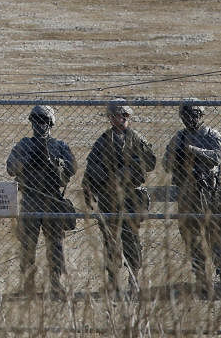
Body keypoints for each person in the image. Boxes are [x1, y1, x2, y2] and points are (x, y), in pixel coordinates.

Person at [81, 99, 156, 295]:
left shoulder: (136, 138)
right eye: (116, 116)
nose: (120, 119)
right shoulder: (104, 140)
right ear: (110, 118)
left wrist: (128, 170)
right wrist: (97, 184)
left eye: (123, 115)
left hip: (131, 196)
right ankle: (113, 281)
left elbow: (150, 163)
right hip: (108, 197)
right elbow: (91, 168)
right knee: (110, 240)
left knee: (131, 239)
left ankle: (134, 279)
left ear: (128, 117)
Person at [162, 100, 221, 298]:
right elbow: (166, 164)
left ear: (202, 115)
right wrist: (177, 155)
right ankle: (202, 282)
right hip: (187, 196)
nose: (190, 119)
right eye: (186, 115)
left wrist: (193, 151)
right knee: (192, 241)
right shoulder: (179, 137)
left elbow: (218, 157)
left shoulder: (211, 135)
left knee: (217, 241)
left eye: (194, 115)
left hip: (209, 196)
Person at [6, 105, 75, 298]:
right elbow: (10, 167)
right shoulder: (24, 145)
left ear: (51, 123)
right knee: (27, 245)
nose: (40, 125)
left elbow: (72, 168)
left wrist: (54, 162)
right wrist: (27, 160)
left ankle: (56, 285)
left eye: (44, 121)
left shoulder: (60, 146)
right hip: (30, 199)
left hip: (52, 199)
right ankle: (27, 286)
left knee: (55, 245)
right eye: (36, 120)